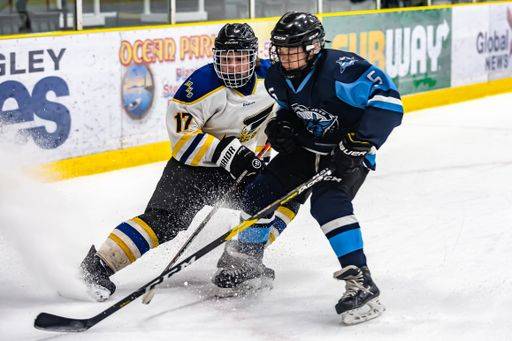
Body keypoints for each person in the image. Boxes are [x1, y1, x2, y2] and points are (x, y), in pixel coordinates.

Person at [80, 23, 300, 302]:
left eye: (239, 58)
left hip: (240, 170)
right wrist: (231, 155)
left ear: (253, 57)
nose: (232, 66)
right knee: (164, 222)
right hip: (191, 170)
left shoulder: (273, 77)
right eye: (225, 58)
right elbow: (182, 140)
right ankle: (97, 266)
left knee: (283, 196)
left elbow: (290, 108)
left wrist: (284, 128)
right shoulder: (199, 86)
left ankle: (241, 260)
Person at [213, 12, 403, 325]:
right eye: (280, 50)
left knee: (327, 203)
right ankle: (249, 261)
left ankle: (362, 282)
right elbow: (291, 112)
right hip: (307, 151)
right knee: (259, 191)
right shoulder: (277, 77)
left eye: (291, 50)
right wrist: (282, 127)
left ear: (313, 47)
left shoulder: (341, 69)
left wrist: (359, 141)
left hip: (346, 154)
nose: (284, 57)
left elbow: (390, 104)